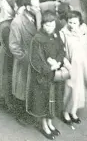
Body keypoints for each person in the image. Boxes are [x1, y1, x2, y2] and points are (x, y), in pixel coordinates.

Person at [26, 11, 69, 140]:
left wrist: (58, 62)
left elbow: (61, 50)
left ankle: (50, 123)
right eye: (47, 25)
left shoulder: (56, 36)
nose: (50, 28)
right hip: (43, 76)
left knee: (53, 100)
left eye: (52, 25)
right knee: (44, 101)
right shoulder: (37, 39)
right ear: (43, 25)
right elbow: (35, 60)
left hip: (54, 73)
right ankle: (44, 126)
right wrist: (49, 67)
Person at [60, 10, 87, 124]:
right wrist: (68, 66)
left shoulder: (84, 29)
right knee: (70, 90)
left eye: (74, 23)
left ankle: (73, 111)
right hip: (71, 66)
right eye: (70, 22)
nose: (72, 25)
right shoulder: (63, 33)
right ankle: (65, 112)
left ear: (80, 22)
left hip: (83, 64)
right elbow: (61, 53)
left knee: (79, 90)